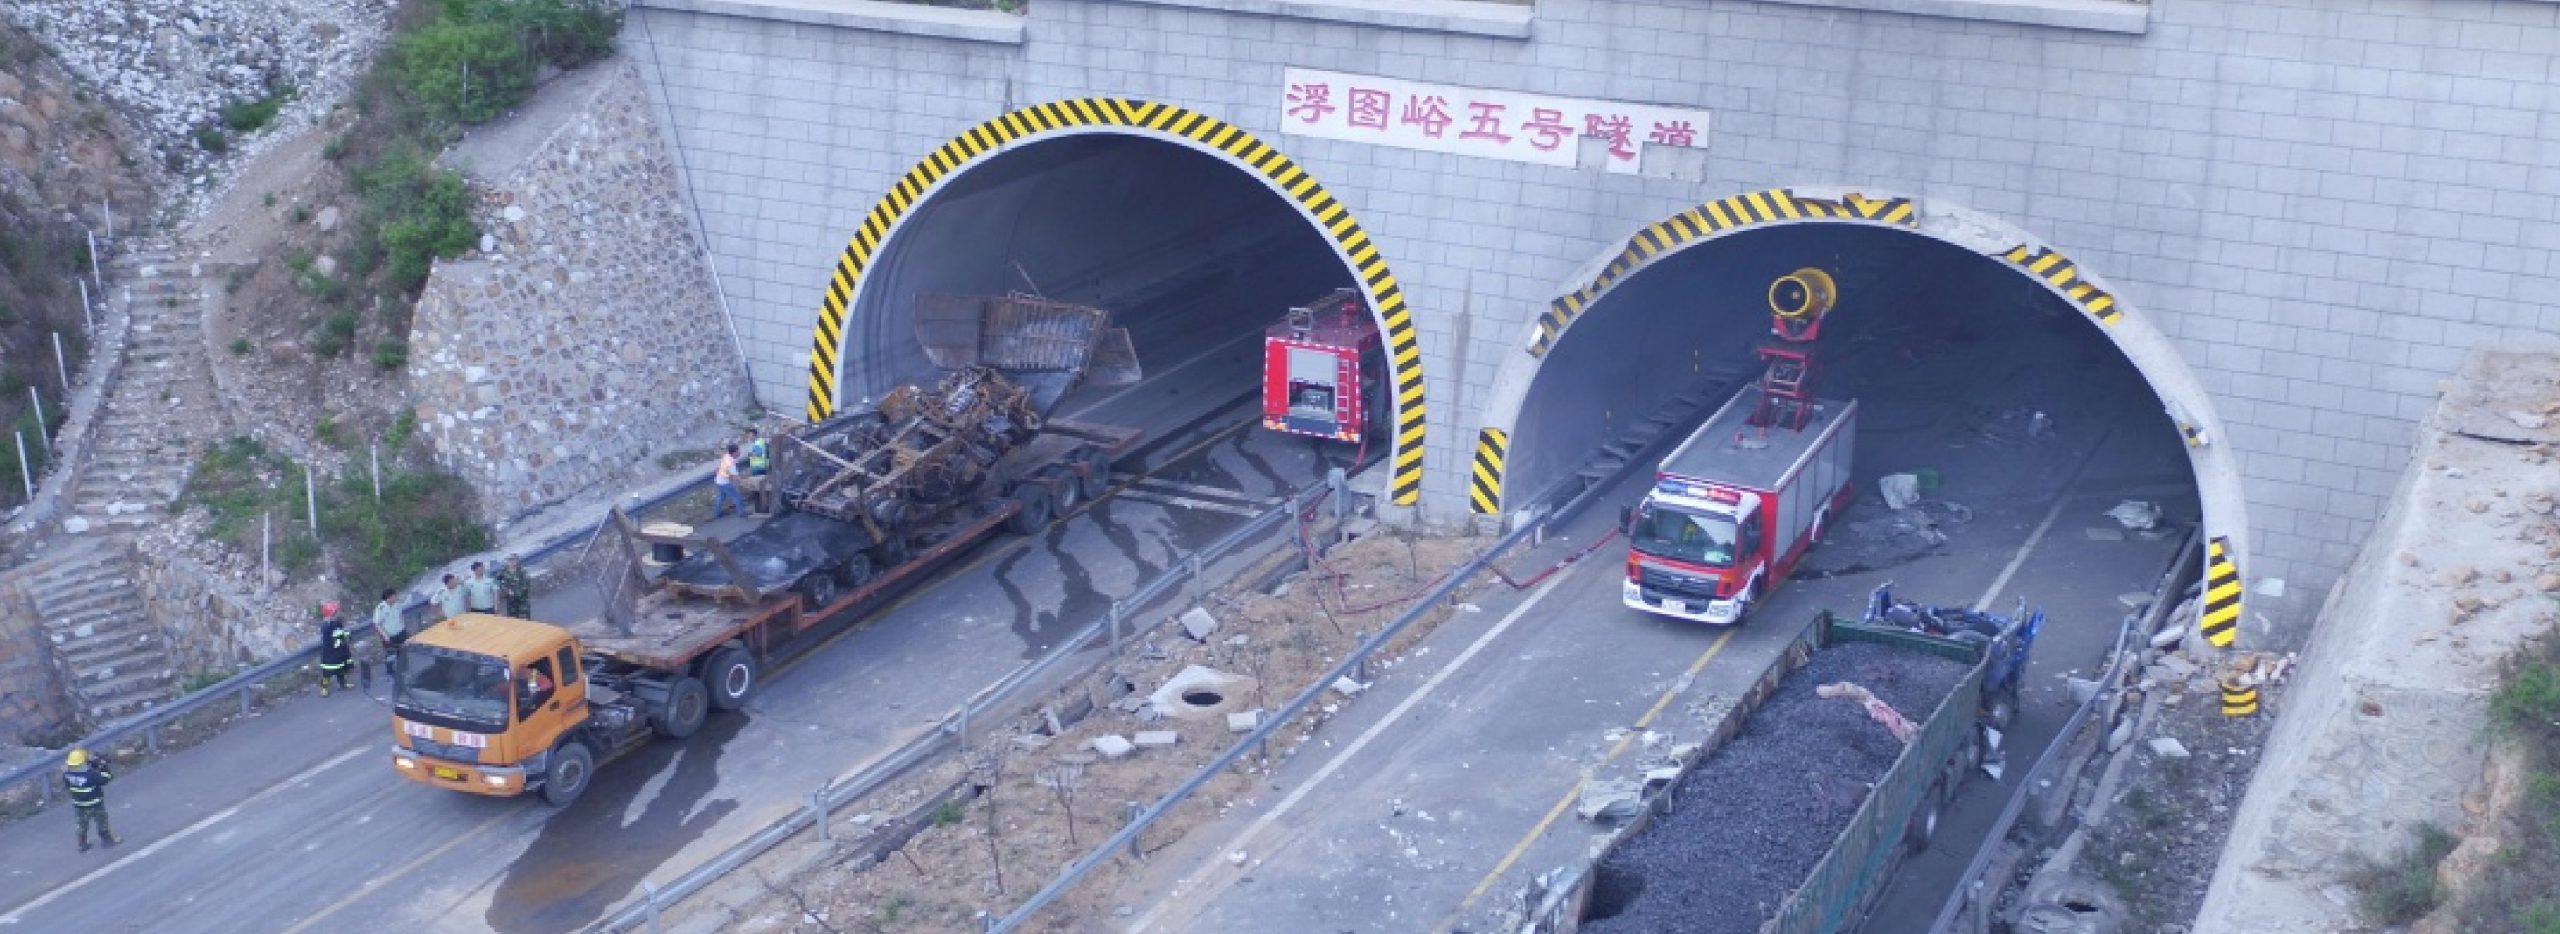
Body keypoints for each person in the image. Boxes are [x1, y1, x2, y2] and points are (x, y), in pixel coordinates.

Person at [63, 748, 117, 852]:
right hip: (95, 803)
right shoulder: (91, 775)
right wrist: (103, 767)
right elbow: (106, 779)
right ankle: (107, 840)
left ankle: (82, 844)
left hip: (79, 805)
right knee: (101, 821)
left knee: (81, 824)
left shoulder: (67, 775)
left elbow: (68, 786)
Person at [372, 588, 408, 681]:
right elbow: (377, 624)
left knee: (403, 651)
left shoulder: (398, 605)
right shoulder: (381, 608)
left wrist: (403, 627)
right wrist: (384, 635)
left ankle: (403, 669)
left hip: (400, 632)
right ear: (388, 598)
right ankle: (390, 671)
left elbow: (401, 616)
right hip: (389, 635)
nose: (395, 598)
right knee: (391, 654)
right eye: (393, 596)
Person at [317, 603, 353, 696]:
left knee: (341, 669)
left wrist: (345, 635)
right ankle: (324, 688)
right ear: (331, 614)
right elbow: (330, 639)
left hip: (339, 651)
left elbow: (341, 633)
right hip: (330, 653)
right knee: (327, 673)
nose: (338, 613)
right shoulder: (326, 626)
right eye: (336, 611)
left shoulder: (337, 622)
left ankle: (343, 684)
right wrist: (341, 637)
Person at [741, 428, 773, 516]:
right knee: (764, 486)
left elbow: (758, 454)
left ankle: (763, 508)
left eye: (750, 434)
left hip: (758, 468)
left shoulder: (758, 443)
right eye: (748, 435)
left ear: (754, 434)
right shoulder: (762, 441)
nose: (749, 436)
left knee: (759, 488)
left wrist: (750, 454)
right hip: (763, 466)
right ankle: (767, 504)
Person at [712, 443, 746, 518]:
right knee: (737, 497)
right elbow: (735, 476)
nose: (739, 452)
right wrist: (744, 482)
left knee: (721, 498)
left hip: (718, 481)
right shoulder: (731, 464)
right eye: (738, 451)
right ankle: (742, 513)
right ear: (734, 452)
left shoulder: (727, 456)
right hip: (725, 483)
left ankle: (716, 514)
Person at [497, 553, 533, 618]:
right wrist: (504, 590)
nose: (510, 562)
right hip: (510, 602)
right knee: (512, 622)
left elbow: (525, 586)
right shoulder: (504, 571)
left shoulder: (522, 572)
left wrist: (514, 593)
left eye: (512, 560)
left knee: (524, 622)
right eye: (509, 560)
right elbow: (497, 581)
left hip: (522, 602)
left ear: (517, 561)